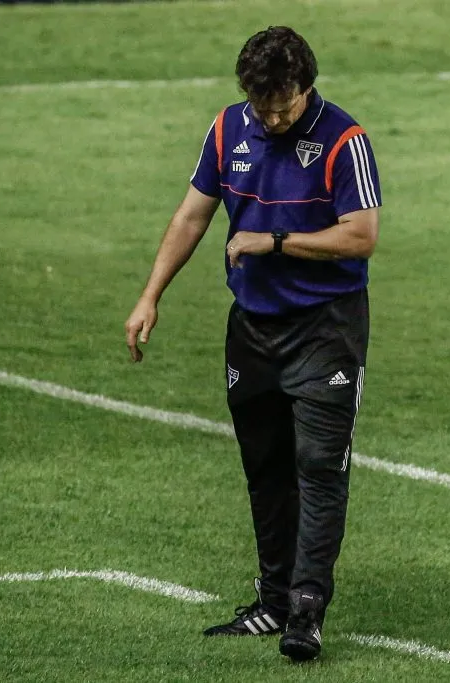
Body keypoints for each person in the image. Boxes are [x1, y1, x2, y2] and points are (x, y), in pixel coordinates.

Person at [124, 25, 381, 662]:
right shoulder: (227, 129)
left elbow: (360, 236)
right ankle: (271, 601)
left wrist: (275, 241)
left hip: (325, 327)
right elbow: (192, 214)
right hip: (254, 329)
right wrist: (151, 293)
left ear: (307, 88)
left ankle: (306, 610)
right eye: (261, 106)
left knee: (319, 468)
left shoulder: (344, 141)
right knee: (265, 470)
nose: (271, 119)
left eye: (283, 108)